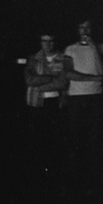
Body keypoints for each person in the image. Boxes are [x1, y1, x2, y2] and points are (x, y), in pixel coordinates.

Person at [62, 19, 103, 196]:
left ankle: (92, 184)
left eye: (88, 27)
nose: (85, 31)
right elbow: (69, 73)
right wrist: (94, 79)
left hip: (95, 97)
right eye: (82, 27)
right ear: (77, 29)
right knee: (75, 139)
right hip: (76, 98)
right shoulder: (70, 49)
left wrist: (93, 48)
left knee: (94, 141)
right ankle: (73, 182)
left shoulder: (101, 47)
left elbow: (102, 71)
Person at [22, 33, 70, 181]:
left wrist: (40, 85)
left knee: (54, 140)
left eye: (51, 41)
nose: (48, 44)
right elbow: (29, 80)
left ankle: (54, 175)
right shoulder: (33, 58)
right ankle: (38, 175)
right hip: (36, 103)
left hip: (56, 102)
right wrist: (50, 77)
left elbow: (62, 82)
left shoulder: (62, 58)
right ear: (40, 42)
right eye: (44, 41)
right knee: (37, 140)